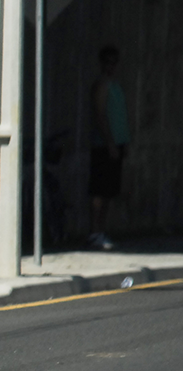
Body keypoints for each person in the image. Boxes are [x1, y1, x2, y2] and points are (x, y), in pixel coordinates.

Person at [88, 45, 130, 251]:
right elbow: (100, 115)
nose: (111, 67)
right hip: (104, 145)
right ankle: (95, 232)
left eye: (114, 62)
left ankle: (101, 230)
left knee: (109, 191)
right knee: (100, 190)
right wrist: (110, 143)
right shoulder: (102, 85)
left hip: (117, 143)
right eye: (108, 62)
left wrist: (123, 142)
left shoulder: (115, 86)